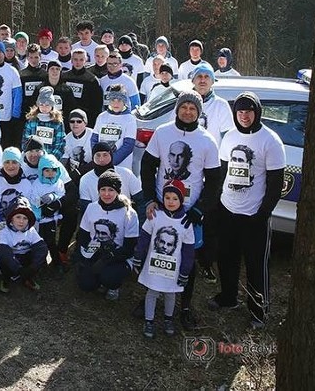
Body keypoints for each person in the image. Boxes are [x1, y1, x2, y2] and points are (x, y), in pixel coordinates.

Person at [140, 89, 221, 330]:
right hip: (161, 204)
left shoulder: (207, 140)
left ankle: (184, 306)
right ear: (177, 109)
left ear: (199, 112)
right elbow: (147, 167)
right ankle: (149, 297)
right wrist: (149, 199)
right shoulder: (162, 133)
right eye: (184, 107)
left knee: (187, 256)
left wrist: (200, 209)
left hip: (190, 210)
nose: (187, 112)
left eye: (193, 109)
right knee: (157, 249)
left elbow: (215, 180)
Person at [209, 92, 285, 329]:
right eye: (240, 112)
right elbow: (223, 174)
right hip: (228, 210)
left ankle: (258, 310)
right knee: (226, 257)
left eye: (248, 111)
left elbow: (275, 185)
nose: (244, 116)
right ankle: (228, 297)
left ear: (257, 112)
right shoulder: (229, 137)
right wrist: (219, 206)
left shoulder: (270, 141)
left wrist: (262, 215)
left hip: (254, 215)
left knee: (255, 264)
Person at [131, 180, 195, 338]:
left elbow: (188, 250)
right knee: (152, 291)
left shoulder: (186, 222)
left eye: (175, 198)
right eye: (167, 197)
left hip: (173, 268)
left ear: (181, 200)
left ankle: (168, 319)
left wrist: (185, 271)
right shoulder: (155, 216)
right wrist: (138, 256)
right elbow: (144, 238)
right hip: (154, 265)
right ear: (162, 198)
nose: (171, 202)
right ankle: (149, 320)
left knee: (170, 293)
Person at [75, 170, 139, 301]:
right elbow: (83, 236)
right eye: (103, 189)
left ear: (118, 191)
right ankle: (97, 280)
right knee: (85, 284)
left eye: (111, 190)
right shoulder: (91, 208)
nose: (106, 194)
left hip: (119, 255)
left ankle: (112, 286)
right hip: (95, 251)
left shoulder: (129, 213)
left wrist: (107, 259)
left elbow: (129, 248)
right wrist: (83, 257)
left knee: (109, 277)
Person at [0, 198, 48, 293]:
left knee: (40, 256)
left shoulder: (31, 231)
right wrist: (18, 269)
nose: (21, 221)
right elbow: (4, 251)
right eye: (18, 217)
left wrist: (33, 267)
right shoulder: (4, 231)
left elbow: (41, 247)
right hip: (10, 259)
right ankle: (6, 279)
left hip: (25, 258)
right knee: (3, 259)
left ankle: (27, 278)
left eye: (25, 218)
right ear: (11, 218)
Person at [0, 147, 33, 233]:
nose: (10, 166)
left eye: (14, 162)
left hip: (21, 228)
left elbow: (30, 209)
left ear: (20, 163)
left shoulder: (27, 184)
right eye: (7, 162)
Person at [0, 41, 23, 149]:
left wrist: (15, 115)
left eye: (0, 52)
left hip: (7, 118)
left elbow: (17, 94)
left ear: (4, 54)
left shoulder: (12, 71)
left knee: (5, 145)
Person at [91, 85, 136, 169]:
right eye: (113, 100)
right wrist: (98, 158)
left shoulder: (130, 119)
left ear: (124, 101)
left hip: (121, 166)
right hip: (101, 164)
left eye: (119, 100)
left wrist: (110, 162)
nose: (116, 103)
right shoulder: (101, 116)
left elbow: (128, 145)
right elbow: (94, 140)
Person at [191, 63, 233, 142]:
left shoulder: (221, 105)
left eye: (207, 76)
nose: (202, 80)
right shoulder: (183, 104)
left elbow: (228, 139)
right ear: (193, 80)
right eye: (199, 76)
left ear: (212, 81)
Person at [22, 86, 65, 159]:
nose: (44, 108)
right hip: (33, 158)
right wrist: (30, 157)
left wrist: (52, 159)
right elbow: (25, 140)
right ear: (38, 105)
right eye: (41, 105)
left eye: (47, 105)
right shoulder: (31, 121)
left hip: (50, 159)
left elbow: (60, 143)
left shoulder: (57, 122)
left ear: (52, 105)